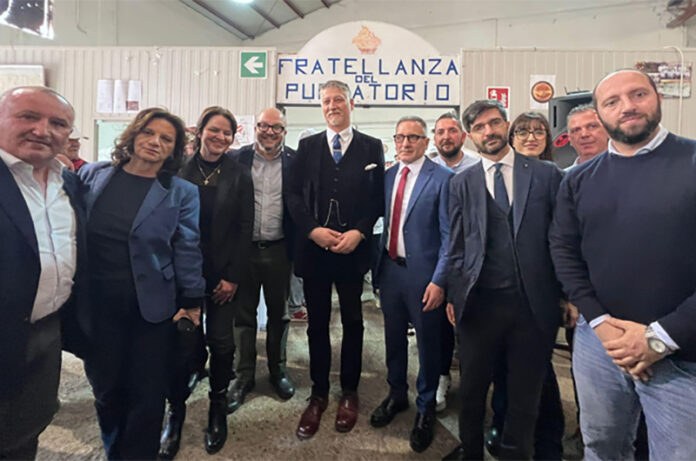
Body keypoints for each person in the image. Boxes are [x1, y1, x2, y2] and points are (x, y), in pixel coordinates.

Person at [549, 69, 696, 461]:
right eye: (612, 101)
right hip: (599, 342)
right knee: (601, 445)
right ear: (601, 113)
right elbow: (564, 252)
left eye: (638, 95)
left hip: (682, 351)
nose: (627, 106)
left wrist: (659, 338)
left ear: (658, 98)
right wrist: (599, 323)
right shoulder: (579, 180)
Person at [79, 107, 206, 460]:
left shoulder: (181, 191)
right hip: (97, 306)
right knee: (106, 390)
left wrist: (192, 302)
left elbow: (187, 247)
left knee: (146, 394)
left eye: (166, 139)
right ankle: (115, 451)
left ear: (174, 150)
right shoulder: (93, 175)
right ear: (133, 134)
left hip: (151, 308)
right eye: (149, 132)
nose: (155, 142)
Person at [443, 99, 563, 460]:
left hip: (532, 306)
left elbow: (560, 240)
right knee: (472, 392)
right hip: (478, 305)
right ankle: (471, 452)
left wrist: (566, 296)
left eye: (494, 123)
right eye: (479, 127)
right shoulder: (461, 182)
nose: (489, 131)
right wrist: (453, 294)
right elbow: (456, 244)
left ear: (506, 125)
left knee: (525, 398)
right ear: (470, 136)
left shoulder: (545, 175)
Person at [286, 80, 384, 440]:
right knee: (317, 325)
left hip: (352, 251)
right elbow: (293, 195)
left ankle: (349, 391)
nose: (332, 106)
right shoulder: (307, 146)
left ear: (351, 103)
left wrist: (360, 231)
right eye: (326, 101)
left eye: (338, 99)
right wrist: (312, 230)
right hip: (315, 251)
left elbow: (377, 198)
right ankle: (319, 393)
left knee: (354, 322)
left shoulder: (372, 146)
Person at [160, 106, 254, 457]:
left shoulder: (239, 174)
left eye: (227, 133)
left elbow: (245, 228)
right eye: (214, 130)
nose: (220, 137)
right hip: (182, 273)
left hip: (222, 275)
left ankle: (217, 406)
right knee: (180, 343)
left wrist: (233, 277)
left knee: (222, 342)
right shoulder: (176, 169)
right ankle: (176, 413)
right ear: (199, 132)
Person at [0, 86, 85, 460]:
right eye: (28, 116)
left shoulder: (69, 183)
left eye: (58, 123)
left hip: (46, 332)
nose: (42, 130)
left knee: (28, 428)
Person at [484, 110, 565, 460]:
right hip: (498, 297)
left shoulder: (554, 178)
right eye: (522, 131)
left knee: (538, 373)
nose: (530, 137)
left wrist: (565, 295)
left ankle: (548, 443)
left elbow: (563, 241)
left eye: (538, 131)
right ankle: (504, 425)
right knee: (501, 367)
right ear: (511, 137)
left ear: (547, 139)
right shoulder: (494, 176)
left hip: (539, 296)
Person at [369, 116, 452, 452]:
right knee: (393, 338)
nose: (405, 143)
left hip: (425, 277)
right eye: (400, 137)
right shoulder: (388, 176)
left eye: (413, 137)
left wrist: (439, 280)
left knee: (428, 344)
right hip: (391, 271)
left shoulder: (443, 179)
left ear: (426, 142)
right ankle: (396, 394)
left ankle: (426, 406)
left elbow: (450, 237)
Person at [228, 107, 296, 411]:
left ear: (284, 132)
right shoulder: (236, 159)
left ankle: (277, 371)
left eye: (276, 127)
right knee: (243, 316)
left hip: (280, 249)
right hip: (243, 250)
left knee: (279, 315)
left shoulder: (295, 161)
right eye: (263, 125)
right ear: (255, 128)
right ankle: (244, 375)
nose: (269, 131)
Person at [430, 112, 479, 412]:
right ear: (434, 138)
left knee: (470, 326)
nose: (446, 136)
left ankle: (473, 386)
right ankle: (441, 377)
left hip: (471, 261)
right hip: (437, 261)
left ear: (463, 136)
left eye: (452, 131)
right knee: (438, 327)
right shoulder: (428, 168)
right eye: (440, 132)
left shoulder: (477, 166)